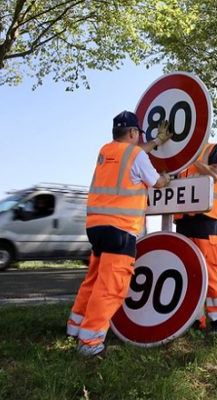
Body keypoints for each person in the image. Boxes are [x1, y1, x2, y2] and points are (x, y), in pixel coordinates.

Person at [66, 110, 172, 357]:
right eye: (138, 135)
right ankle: (90, 343)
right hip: (121, 229)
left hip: (96, 227)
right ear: (133, 133)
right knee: (111, 287)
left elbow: (133, 155)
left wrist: (155, 142)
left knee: (93, 280)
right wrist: (166, 178)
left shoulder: (105, 151)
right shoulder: (135, 154)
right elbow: (155, 181)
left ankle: (75, 328)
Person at [174, 142, 217, 333]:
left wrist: (194, 161)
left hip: (208, 218)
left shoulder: (214, 149)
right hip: (183, 219)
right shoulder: (177, 155)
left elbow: (215, 174)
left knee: (211, 271)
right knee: (188, 272)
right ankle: (195, 319)